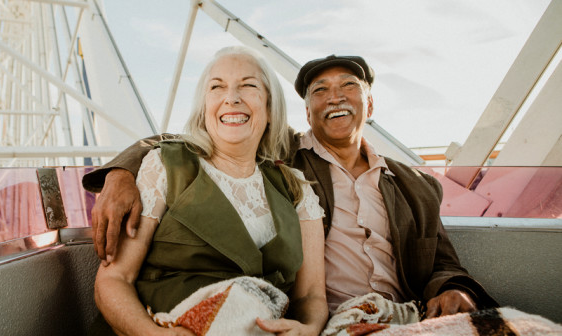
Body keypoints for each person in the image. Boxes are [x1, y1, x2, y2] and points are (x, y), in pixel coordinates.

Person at [83, 54, 498, 321]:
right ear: (304, 111)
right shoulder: (290, 162)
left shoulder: (417, 186)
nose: (335, 97)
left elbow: (445, 263)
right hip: (339, 320)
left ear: (370, 104)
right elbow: (193, 140)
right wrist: (120, 173)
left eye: (349, 86)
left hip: (408, 313)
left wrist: (454, 289)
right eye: (320, 90)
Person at [93, 46, 328, 335]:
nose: (232, 98)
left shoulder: (296, 189)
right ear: (204, 107)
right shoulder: (166, 167)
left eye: (248, 85)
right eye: (217, 87)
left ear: (269, 107)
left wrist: (310, 329)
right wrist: (153, 334)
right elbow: (114, 279)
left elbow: (311, 296)